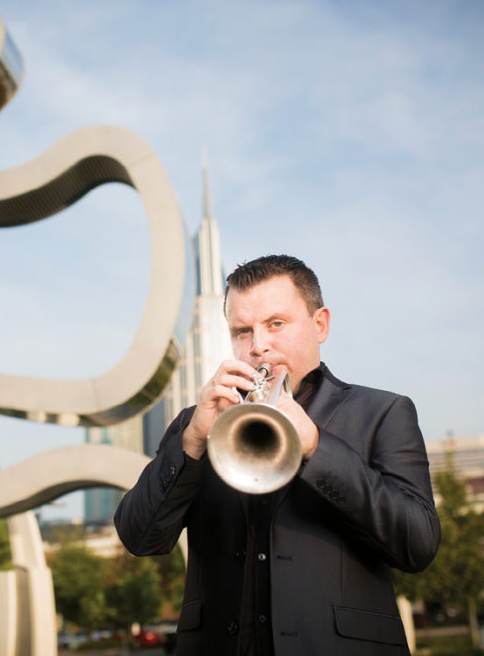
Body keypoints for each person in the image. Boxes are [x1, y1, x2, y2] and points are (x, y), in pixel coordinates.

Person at [114, 254, 440, 656]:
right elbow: (138, 537)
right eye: (242, 331)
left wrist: (318, 448)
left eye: (276, 324)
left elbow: (418, 544)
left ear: (320, 325)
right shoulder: (197, 422)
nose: (258, 346)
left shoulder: (383, 413)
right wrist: (193, 441)